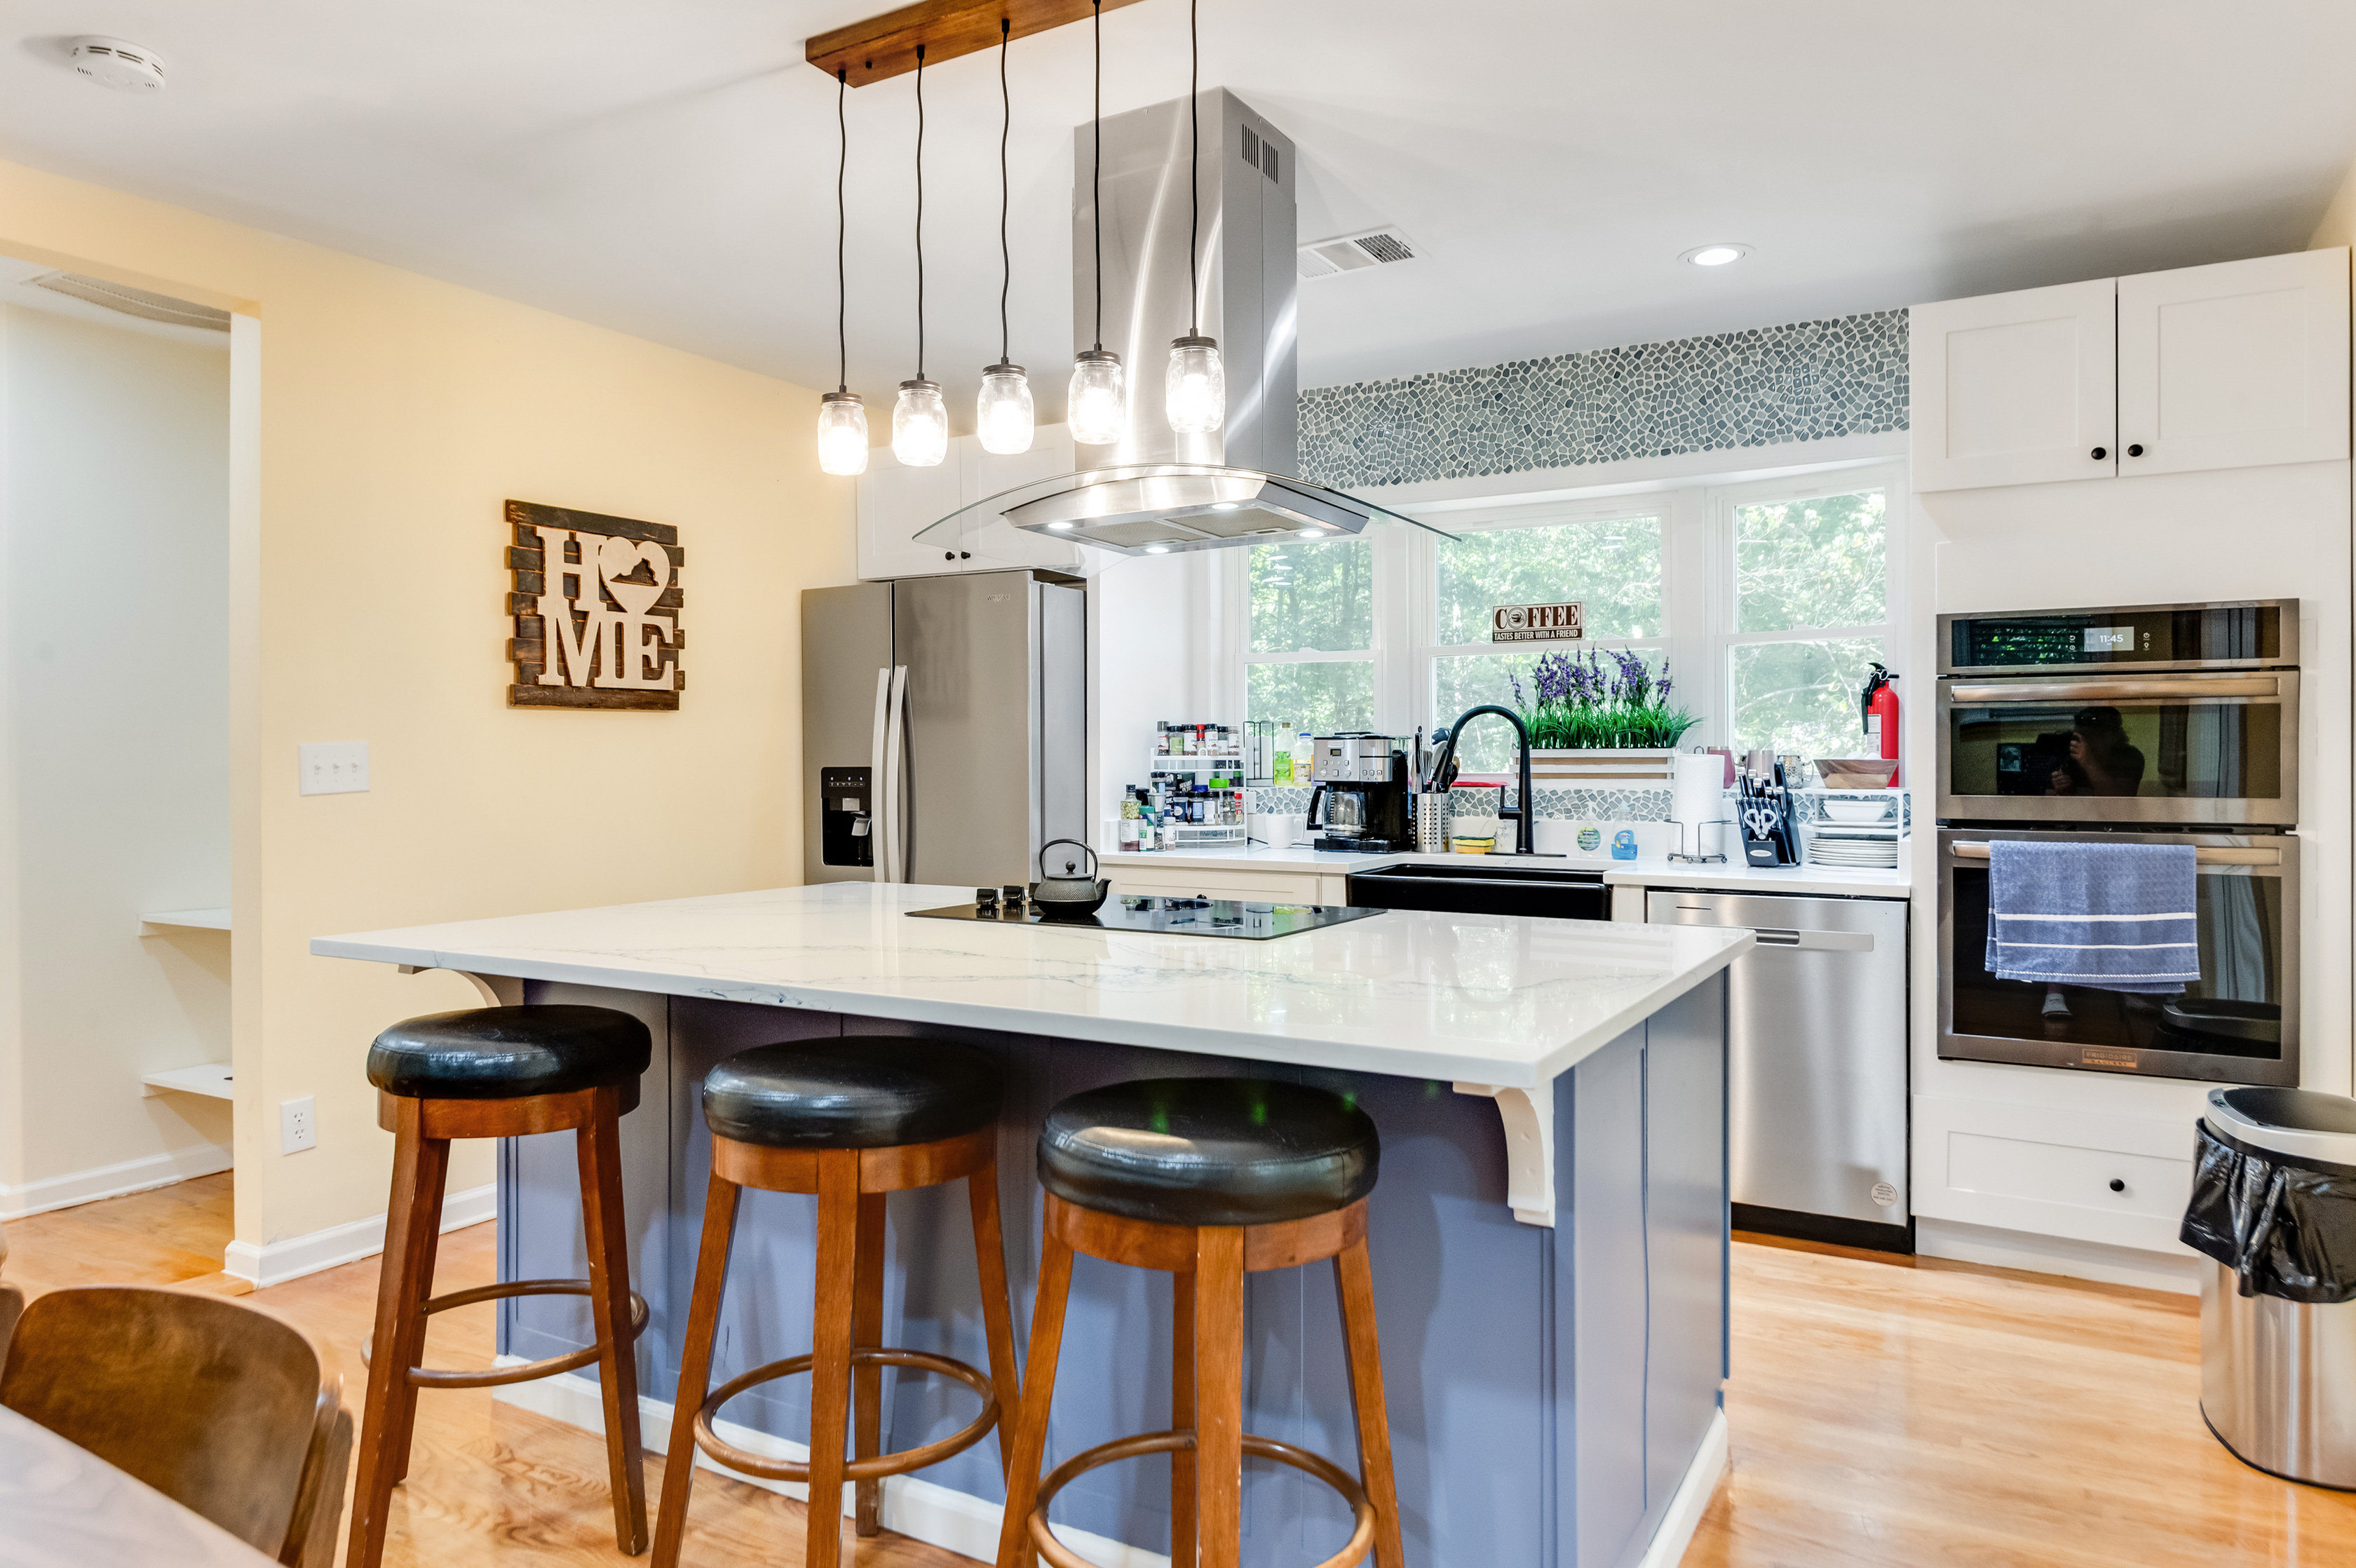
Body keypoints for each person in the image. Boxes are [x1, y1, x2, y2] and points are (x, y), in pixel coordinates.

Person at [2043, 707, 2146, 798]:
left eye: (2094, 735)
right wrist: (2062, 791)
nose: (2086, 742)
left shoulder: (2129, 756)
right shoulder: (2067, 755)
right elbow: (2045, 799)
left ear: (2113, 736)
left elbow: (2121, 801)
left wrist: (2088, 762)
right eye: (2082, 735)